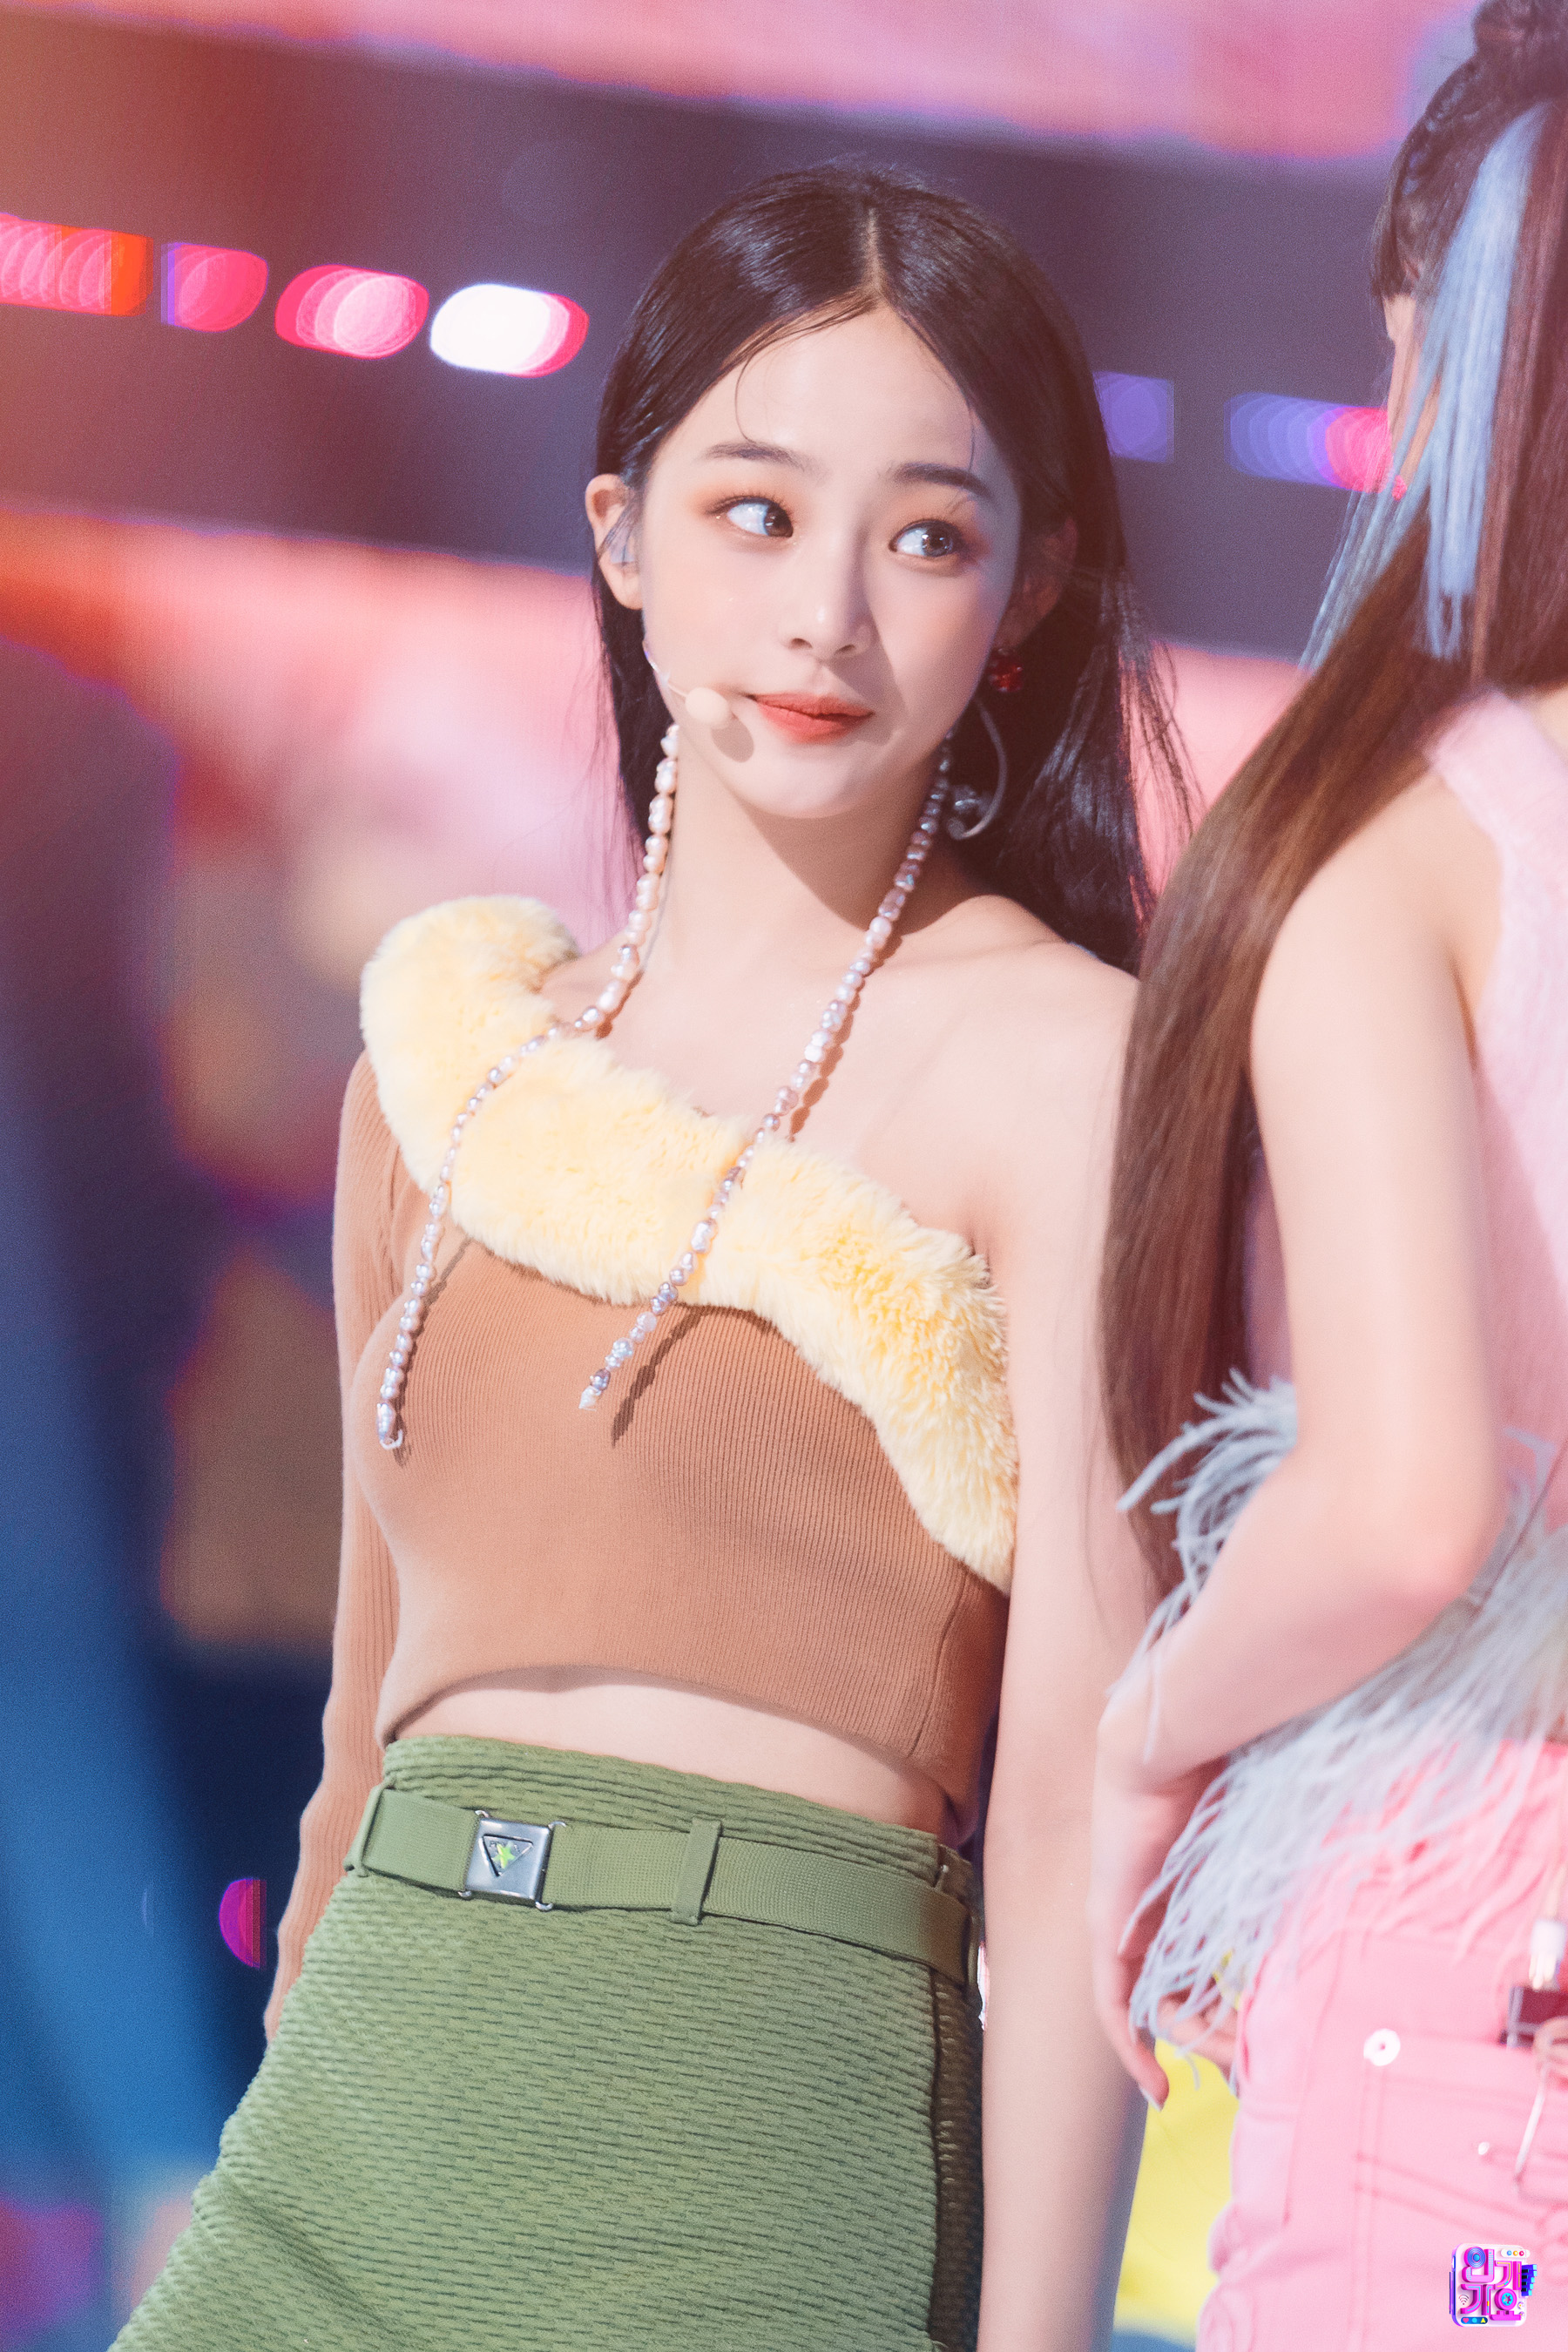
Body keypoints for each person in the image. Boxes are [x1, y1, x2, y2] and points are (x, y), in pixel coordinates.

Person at [115, 164, 1186, 2352]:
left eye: (928, 537)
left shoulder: (1071, 1062)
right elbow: (361, 1725)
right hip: (356, 2114)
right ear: (621, 533)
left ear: (1035, 584)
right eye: (755, 514)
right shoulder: (452, 1066)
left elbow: (1081, 1798)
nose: (826, 618)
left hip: (748, 2126)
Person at [1089, 5, 1568, 2344]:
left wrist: (1143, 1735)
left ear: (1440, 332)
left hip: (1475, 1924)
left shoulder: (1409, 841)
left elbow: (1398, 1505)